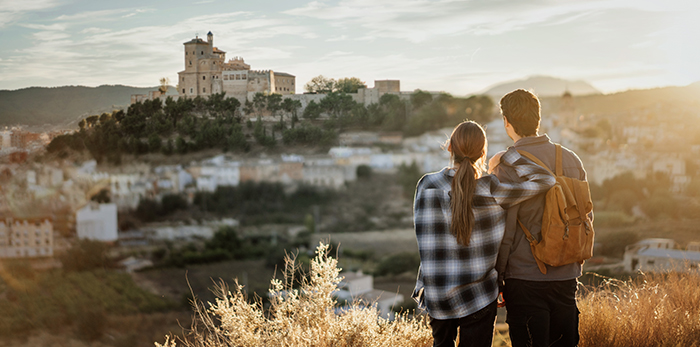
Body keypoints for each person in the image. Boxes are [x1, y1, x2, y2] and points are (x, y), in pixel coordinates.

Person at [412, 120, 556, 347]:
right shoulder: (491, 188)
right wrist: (508, 156)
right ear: (482, 152)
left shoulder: (426, 185)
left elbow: (425, 241)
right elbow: (546, 180)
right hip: (478, 296)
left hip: (438, 295)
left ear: (450, 147)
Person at [489, 89, 590, 347]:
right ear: (538, 118)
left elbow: (502, 228)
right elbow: (585, 215)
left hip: (524, 277)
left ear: (506, 121)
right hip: (566, 275)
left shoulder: (507, 165)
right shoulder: (571, 159)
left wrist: (498, 276)